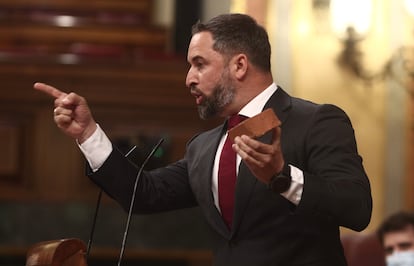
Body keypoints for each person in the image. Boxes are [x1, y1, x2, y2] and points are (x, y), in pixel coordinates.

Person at [33, 13, 372, 266]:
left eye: (199, 64)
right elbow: (143, 194)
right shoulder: (204, 147)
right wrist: (88, 133)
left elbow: (357, 208)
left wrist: (283, 177)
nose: (188, 79)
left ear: (239, 65)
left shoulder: (316, 121)